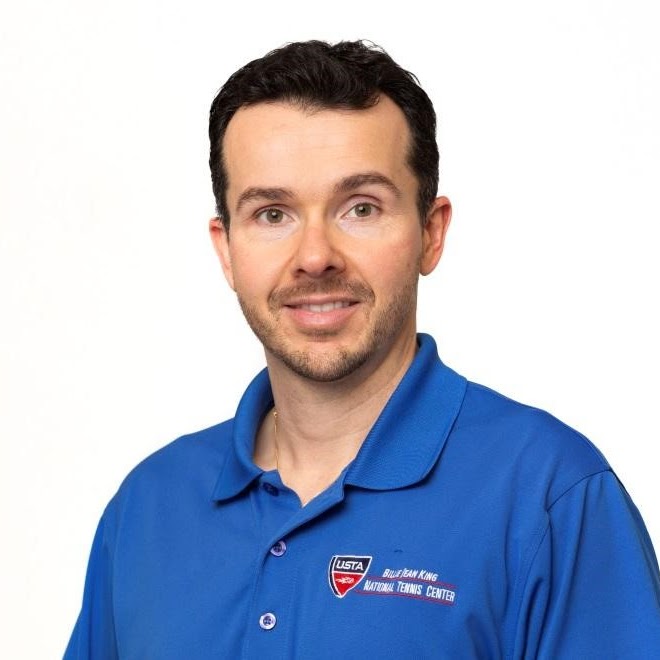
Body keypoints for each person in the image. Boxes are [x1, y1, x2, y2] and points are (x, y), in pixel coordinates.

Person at [65, 40, 660, 659]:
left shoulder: (548, 495)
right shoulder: (147, 508)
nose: (314, 256)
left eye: (360, 208)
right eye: (272, 214)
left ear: (431, 233)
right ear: (227, 249)